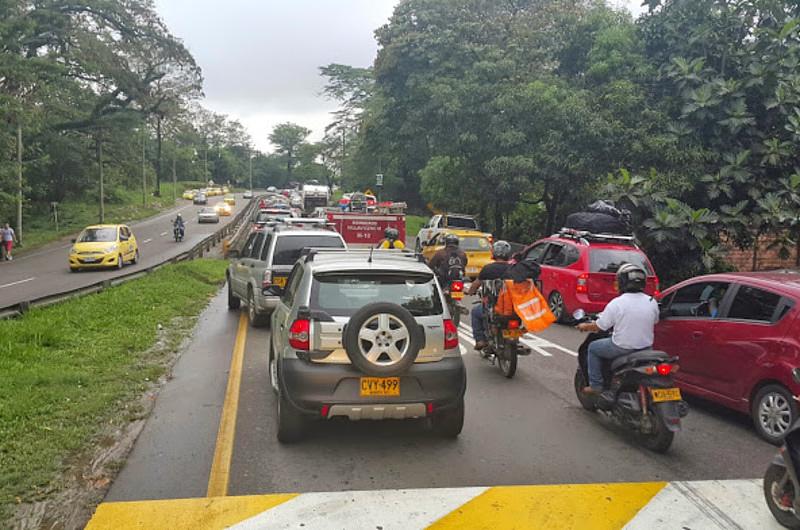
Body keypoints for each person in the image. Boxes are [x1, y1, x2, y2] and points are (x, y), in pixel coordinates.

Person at [577, 263, 659, 394]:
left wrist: (584, 326)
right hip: (646, 348)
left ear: (622, 282)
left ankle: (596, 385)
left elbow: (600, 326)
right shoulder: (651, 301)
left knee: (592, 348)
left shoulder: (617, 303)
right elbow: (655, 321)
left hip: (621, 347)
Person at [466, 240, 513, 350]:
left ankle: (480, 340)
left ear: (494, 253)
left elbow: (475, 285)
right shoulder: (513, 269)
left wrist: (470, 292)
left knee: (475, 312)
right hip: (510, 307)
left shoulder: (488, 269)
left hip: (493, 308)